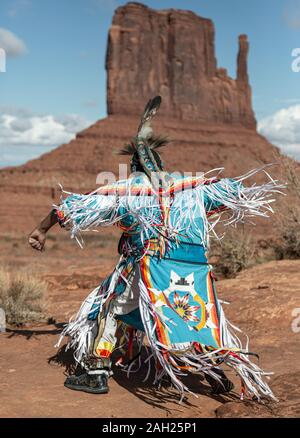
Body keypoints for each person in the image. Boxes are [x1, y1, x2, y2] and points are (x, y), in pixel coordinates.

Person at [29, 96, 282, 400]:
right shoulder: (190, 188)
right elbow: (232, 190)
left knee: (111, 307)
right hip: (195, 271)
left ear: (134, 165)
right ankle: (214, 373)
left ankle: (96, 373)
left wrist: (41, 229)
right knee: (193, 317)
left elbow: (76, 207)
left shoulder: (130, 189)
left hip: (152, 267)